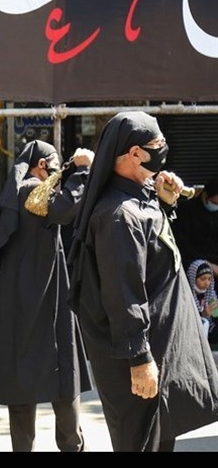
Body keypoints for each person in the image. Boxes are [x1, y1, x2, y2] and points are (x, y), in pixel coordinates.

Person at [69, 111, 218, 452]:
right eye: (158, 143)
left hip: (159, 349)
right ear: (135, 153)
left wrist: (164, 202)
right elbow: (123, 294)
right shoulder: (119, 216)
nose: (164, 148)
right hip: (137, 359)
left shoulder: (141, 196)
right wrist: (139, 360)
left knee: (162, 438)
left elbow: (152, 251)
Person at [0, 140, 93, 452]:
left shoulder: (14, 195)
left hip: (19, 301)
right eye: (54, 162)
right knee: (63, 376)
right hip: (45, 297)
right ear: (41, 165)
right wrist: (82, 170)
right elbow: (65, 209)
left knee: (21, 382)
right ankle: (72, 446)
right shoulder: (31, 190)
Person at [173, 179, 218, 276]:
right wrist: (207, 264)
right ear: (205, 196)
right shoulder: (186, 212)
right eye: (215, 203)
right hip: (193, 266)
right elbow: (182, 245)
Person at [186, 260, 217, 344]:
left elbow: (214, 315)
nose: (207, 283)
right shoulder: (186, 295)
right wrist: (202, 314)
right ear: (193, 278)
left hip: (210, 328)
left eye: (209, 279)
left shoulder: (210, 293)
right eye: (203, 279)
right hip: (192, 330)